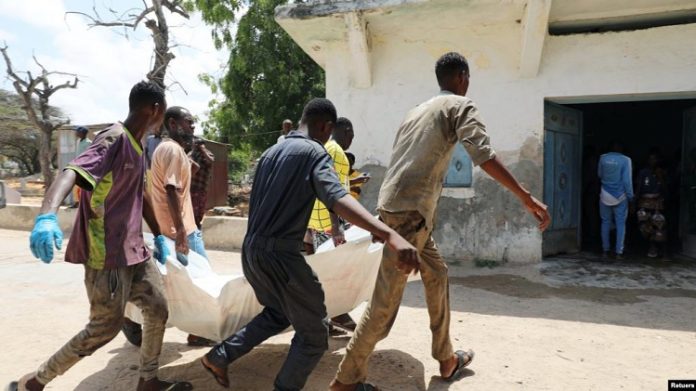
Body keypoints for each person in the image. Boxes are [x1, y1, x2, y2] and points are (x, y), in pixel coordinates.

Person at [329, 52, 551, 391]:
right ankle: (346, 380)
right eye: (468, 79)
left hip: (402, 211)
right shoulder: (461, 106)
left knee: (437, 273)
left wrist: (387, 218)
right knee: (383, 308)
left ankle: (446, 359)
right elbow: (484, 155)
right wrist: (525, 196)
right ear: (462, 77)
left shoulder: (416, 110)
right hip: (410, 216)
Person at [200, 98, 418, 391]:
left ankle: (220, 356)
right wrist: (390, 234)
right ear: (326, 126)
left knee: (278, 312)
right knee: (315, 334)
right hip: (281, 255)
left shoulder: (270, 152)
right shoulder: (314, 152)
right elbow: (337, 198)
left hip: (251, 252)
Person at [7, 81, 192, 391]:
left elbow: (141, 194)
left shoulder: (137, 144)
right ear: (156, 110)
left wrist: (158, 235)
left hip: (135, 250)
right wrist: (47, 215)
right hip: (106, 253)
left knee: (157, 307)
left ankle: (148, 380)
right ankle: (35, 381)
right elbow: (72, 172)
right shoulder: (114, 139)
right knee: (103, 328)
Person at [147, 106, 214, 347]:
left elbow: (192, 169)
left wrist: (192, 151)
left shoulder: (167, 149)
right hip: (182, 229)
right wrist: (183, 233)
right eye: (189, 122)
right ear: (173, 124)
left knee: (178, 285)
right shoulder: (173, 151)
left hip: (169, 229)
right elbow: (172, 189)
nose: (193, 127)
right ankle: (200, 332)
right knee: (205, 282)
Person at [304, 117, 354, 254]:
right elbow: (329, 189)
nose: (351, 141)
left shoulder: (326, 147)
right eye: (352, 137)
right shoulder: (335, 151)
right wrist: (336, 226)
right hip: (329, 226)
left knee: (327, 268)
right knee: (335, 269)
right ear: (347, 132)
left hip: (321, 223)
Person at [597, 141, 633, 259]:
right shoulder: (626, 160)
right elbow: (627, 181)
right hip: (620, 196)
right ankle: (619, 252)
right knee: (620, 224)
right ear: (622, 149)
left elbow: (599, 174)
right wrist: (630, 196)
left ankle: (605, 251)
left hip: (605, 194)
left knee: (605, 222)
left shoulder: (602, 158)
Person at [636, 151, 668, 258]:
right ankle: (651, 245)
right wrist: (633, 202)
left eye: (654, 158)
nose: (652, 161)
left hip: (658, 203)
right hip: (644, 202)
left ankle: (658, 249)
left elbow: (666, 189)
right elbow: (638, 188)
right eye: (650, 158)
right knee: (644, 226)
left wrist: (660, 177)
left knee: (659, 225)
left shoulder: (661, 172)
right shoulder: (643, 172)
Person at [189, 137, 215, 229]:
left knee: (198, 214)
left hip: (201, 188)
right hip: (190, 188)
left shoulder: (207, 154)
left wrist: (203, 150)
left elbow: (211, 161)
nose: (194, 145)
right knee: (191, 214)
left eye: (196, 144)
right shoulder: (191, 154)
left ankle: (197, 230)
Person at [70, 126, 92, 207]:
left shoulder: (88, 143)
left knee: (83, 185)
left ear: (82, 133)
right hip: (77, 165)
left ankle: (84, 203)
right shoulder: (78, 141)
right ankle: (77, 202)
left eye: (77, 131)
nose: (76, 133)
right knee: (76, 185)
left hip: (85, 167)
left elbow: (89, 155)